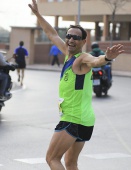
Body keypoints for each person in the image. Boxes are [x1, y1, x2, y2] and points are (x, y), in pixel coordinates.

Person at [29, 0, 124, 169]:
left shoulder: (82, 58)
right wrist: (37, 15)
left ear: (83, 41)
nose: (71, 39)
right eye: (69, 36)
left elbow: (96, 61)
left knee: (52, 159)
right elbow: (51, 34)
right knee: (70, 162)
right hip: (85, 120)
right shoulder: (68, 54)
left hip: (73, 119)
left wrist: (108, 58)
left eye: (76, 37)